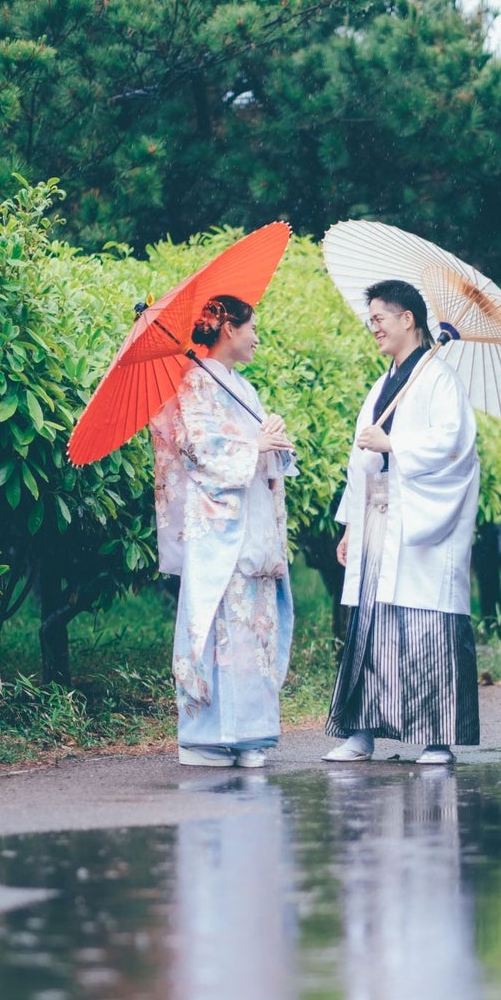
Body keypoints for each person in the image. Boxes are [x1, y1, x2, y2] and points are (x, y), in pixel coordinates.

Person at [324, 279, 481, 765]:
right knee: (370, 622)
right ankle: (361, 731)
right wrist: (351, 523)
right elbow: (360, 460)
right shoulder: (382, 384)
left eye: (379, 319)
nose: (373, 328)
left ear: (407, 319)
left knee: (424, 622)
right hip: (377, 513)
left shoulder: (439, 379)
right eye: (371, 320)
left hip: (422, 518)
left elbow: (455, 446)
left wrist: (396, 446)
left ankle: (438, 737)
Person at [150, 295, 297, 768]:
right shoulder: (194, 383)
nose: (256, 337)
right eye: (252, 327)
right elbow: (197, 449)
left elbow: (259, 451)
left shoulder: (242, 388)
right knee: (220, 623)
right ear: (229, 327)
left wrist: (271, 440)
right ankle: (207, 737)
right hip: (219, 527)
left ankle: (251, 734)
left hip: (251, 519)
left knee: (255, 623)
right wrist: (254, 444)